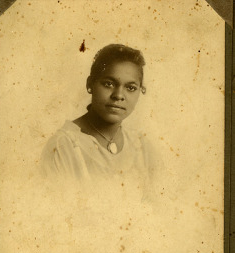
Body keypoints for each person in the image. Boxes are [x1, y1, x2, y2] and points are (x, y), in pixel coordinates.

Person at [41, 44, 154, 196]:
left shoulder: (142, 147)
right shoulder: (64, 146)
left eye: (131, 88)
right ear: (90, 84)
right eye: (109, 84)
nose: (118, 95)